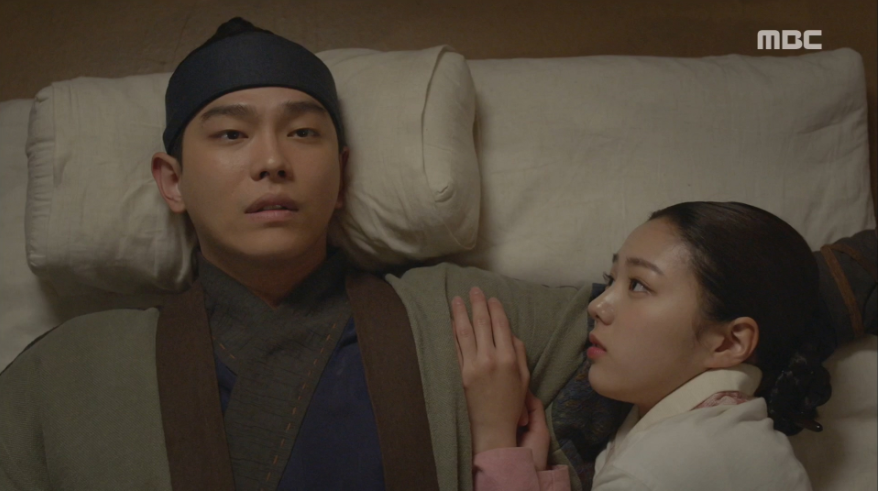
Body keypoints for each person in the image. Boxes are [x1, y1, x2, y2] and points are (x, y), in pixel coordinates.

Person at [0, 18, 626, 491]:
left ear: (342, 175)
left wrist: (517, 456)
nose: (273, 160)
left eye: (303, 132)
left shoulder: (458, 316)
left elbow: (654, 324)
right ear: (172, 181)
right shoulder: (68, 371)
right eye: (231, 134)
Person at [453, 201, 832, 491]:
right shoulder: (730, 440)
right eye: (611, 279)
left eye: (639, 285)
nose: (597, 306)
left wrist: (493, 436)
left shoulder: (660, 467)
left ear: (729, 342)